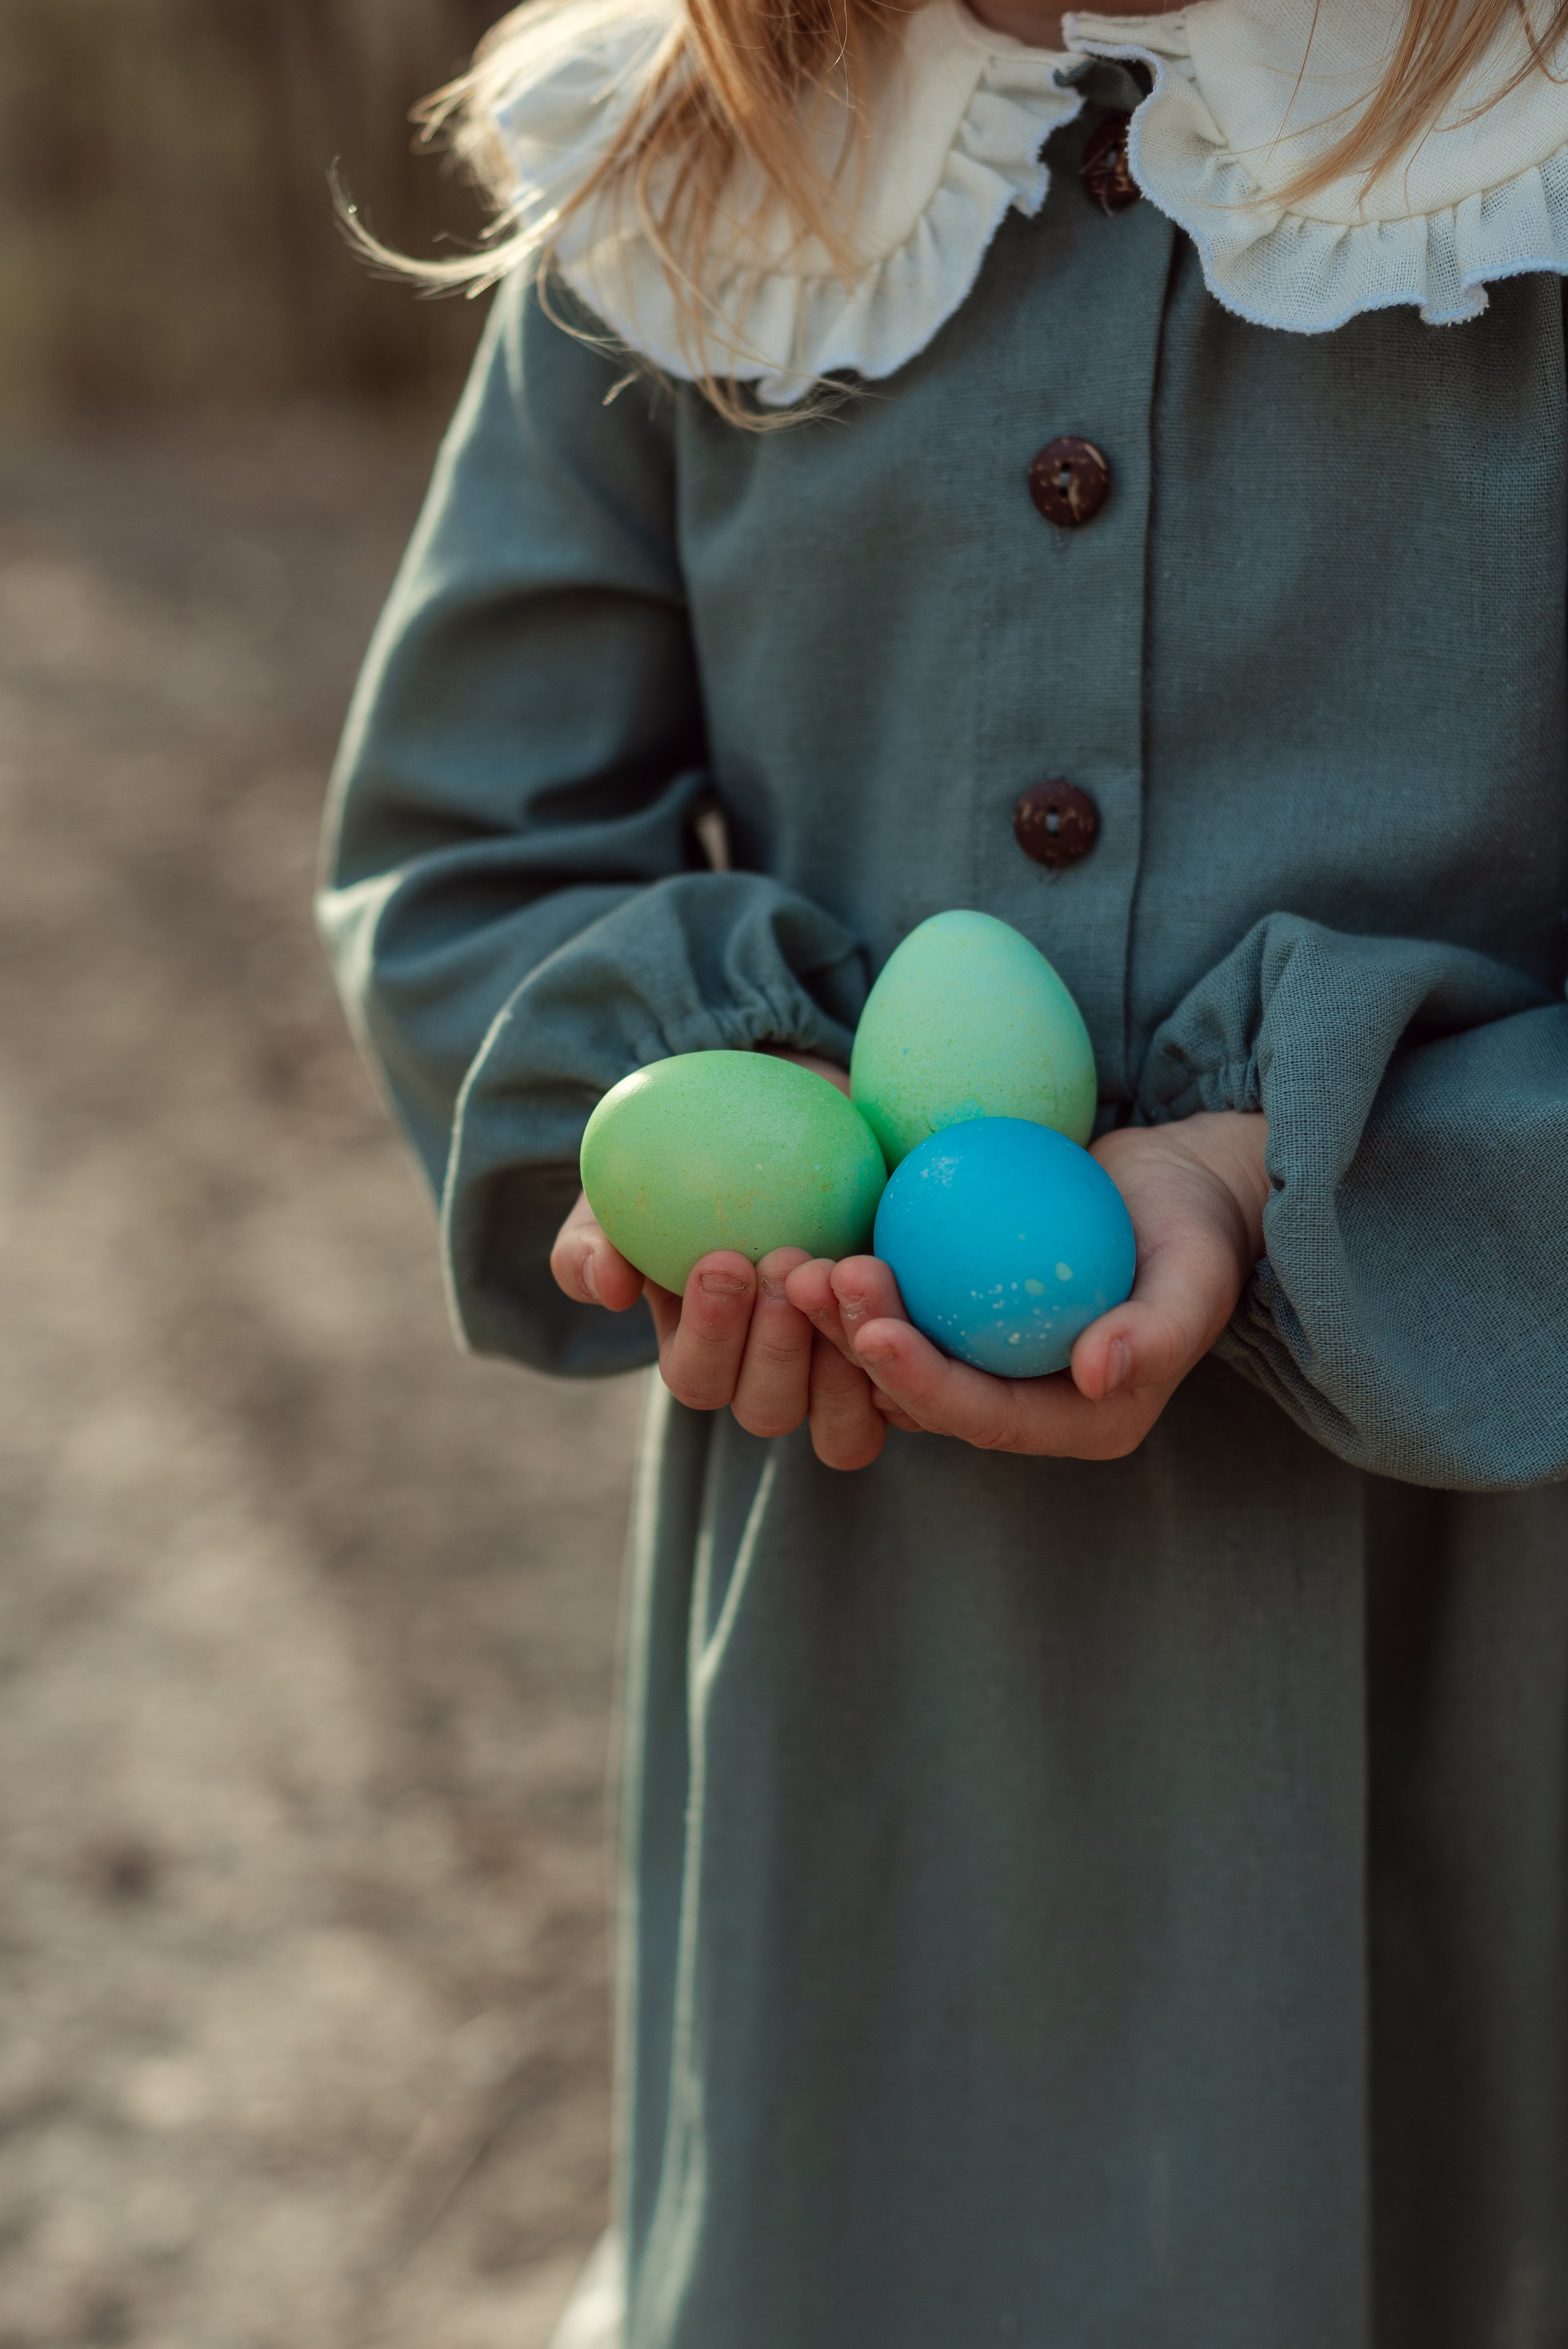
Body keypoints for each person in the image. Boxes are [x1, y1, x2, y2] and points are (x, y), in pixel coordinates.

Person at [319, 0, 1568, 2336]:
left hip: (1493, 1646)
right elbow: (465, 857)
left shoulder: (1532, 159)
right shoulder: (697, 172)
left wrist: (1302, 1176)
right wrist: (754, 1135)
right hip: (888, 1648)